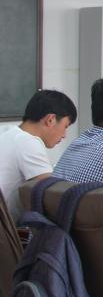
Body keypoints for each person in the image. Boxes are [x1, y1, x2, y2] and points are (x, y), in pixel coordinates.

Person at [0, 90, 76, 221]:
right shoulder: (28, 142)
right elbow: (51, 193)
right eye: (65, 126)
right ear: (50, 120)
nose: (64, 135)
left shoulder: (6, 131)